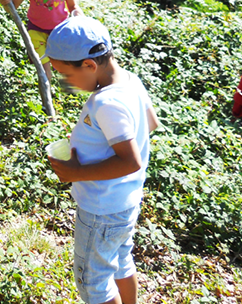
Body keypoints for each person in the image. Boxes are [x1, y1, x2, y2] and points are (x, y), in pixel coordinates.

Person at [45, 17, 159, 304]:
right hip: (125, 201)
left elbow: (130, 162)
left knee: (93, 283)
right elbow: (150, 123)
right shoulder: (130, 81)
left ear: (89, 65)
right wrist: (94, 142)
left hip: (102, 208)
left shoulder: (106, 102)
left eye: (66, 75)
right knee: (121, 261)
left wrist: (76, 173)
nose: (66, 83)